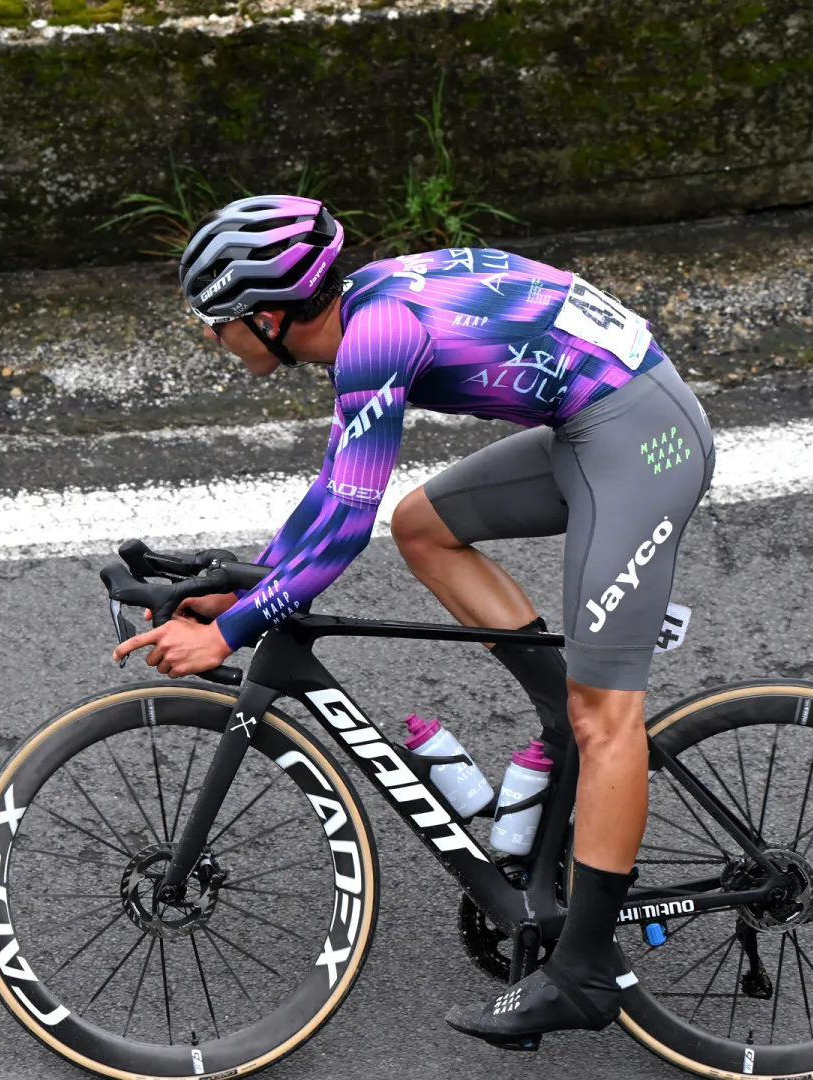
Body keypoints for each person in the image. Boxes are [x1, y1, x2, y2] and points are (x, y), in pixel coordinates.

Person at [112, 194, 716, 1048]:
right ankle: (561, 709)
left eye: (220, 322)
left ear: (271, 317)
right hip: (597, 423)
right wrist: (248, 587)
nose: (214, 337)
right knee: (423, 527)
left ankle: (584, 972)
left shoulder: (377, 338)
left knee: (605, 716)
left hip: (642, 442)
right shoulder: (363, 315)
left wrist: (229, 632)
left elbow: (343, 525)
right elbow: (338, 487)